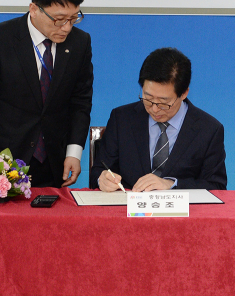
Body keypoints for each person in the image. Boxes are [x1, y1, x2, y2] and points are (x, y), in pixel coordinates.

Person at [0, 0, 92, 188]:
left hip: (55, 162)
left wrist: (74, 152)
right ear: (34, 9)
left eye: (74, 18)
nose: (67, 28)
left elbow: (80, 101)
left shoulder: (80, 43)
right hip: (4, 160)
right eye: (59, 19)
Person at [96, 47, 226, 192]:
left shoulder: (209, 130)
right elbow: (100, 170)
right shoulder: (121, 119)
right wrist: (103, 179)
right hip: (127, 204)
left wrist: (172, 184)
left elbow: (216, 186)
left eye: (164, 102)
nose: (154, 109)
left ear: (184, 93)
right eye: (148, 98)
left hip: (182, 207)